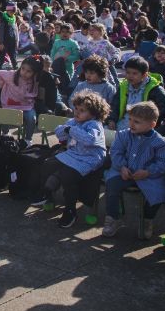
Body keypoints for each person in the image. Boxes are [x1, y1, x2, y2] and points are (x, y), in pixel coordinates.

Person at [32, 91, 108, 228]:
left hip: (89, 159)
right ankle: (46, 193)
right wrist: (66, 129)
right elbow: (60, 133)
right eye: (76, 109)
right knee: (48, 164)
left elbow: (89, 140)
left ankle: (70, 210)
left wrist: (70, 130)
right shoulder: (74, 121)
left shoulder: (94, 125)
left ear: (93, 113)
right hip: (73, 154)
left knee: (68, 175)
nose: (77, 113)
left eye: (82, 111)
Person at [102, 102, 165, 239]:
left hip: (148, 176)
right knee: (112, 185)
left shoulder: (160, 142)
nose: (131, 124)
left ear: (152, 124)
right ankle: (113, 218)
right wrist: (122, 166)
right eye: (130, 120)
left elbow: (163, 162)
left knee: (159, 193)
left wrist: (148, 172)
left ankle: (147, 219)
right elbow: (116, 152)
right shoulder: (123, 135)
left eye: (137, 122)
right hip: (124, 172)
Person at [109, 56, 165, 131]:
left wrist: (149, 125)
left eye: (134, 73)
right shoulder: (123, 87)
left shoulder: (155, 89)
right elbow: (115, 105)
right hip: (123, 124)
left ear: (144, 75)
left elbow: (164, 108)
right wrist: (112, 120)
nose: (130, 76)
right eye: (128, 72)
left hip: (143, 127)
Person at [0, 56, 44, 145]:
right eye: (23, 69)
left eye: (28, 71)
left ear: (34, 73)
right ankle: (5, 134)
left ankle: (28, 139)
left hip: (26, 105)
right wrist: (1, 85)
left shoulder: (35, 79)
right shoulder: (12, 75)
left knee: (31, 118)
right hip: (9, 104)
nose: (24, 73)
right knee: (4, 116)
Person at [0, 2, 19, 69]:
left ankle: (15, 67)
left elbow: (16, 30)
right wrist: (1, 42)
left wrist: (17, 40)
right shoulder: (3, 19)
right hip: (4, 41)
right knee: (2, 55)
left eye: (13, 11)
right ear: (7, 10)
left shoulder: (14, 18)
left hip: (12, 41)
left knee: (13, 55)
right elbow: (0, 31)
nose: (11, 12)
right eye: (9, 10)